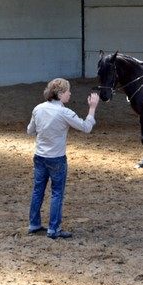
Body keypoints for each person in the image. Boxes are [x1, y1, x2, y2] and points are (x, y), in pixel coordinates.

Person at [27, 78, 99, 239]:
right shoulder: (64, 112)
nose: (70, 94)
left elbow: (30, 131)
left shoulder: (38, 108)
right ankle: (53, 228)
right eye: (67, 91)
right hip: (56, 159)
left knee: (38, 191)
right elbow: (86, 127)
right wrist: (92, 108)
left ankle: (34, 224)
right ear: (60, 94)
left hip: (40, 156)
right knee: (57, 193)